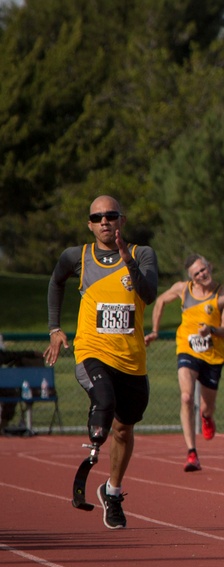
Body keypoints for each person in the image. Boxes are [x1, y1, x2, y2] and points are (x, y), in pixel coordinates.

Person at [44, 195, 159, 530]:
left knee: (124, 429)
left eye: (111, 215)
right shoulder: (76, 257)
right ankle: (94, 441)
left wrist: (128, 261)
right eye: (98, 217)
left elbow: (149, 294)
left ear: (121, 220)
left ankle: (112, 490)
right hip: (92, 351)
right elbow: (55, 282)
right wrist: (54, 328)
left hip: (131, 358)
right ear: (90, 224)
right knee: (104, 403)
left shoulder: (142, 254)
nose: (105, 221)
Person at [145, 254, 224, 472]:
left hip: (213, 354)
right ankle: (191, 453)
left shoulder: (223, 293)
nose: (202, 274)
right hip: (187, 348)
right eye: (197, 273)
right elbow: (161, 301)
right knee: (186, 397)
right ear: (191, 278)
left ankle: (206, 417)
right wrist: (155, 331)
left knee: (207, 406)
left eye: (203, 269)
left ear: (209, 266)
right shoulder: (182, 289)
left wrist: (210, 330)